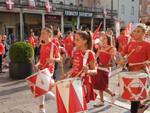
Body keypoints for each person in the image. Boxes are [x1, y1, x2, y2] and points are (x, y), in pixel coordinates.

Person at [119, 23, 150, 113]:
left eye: (138, 31)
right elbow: (123, 54)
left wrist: (146, 62)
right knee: (133, 96)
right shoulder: (131, 43)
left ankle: (136, 110)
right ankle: (140, 107)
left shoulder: (147, 45)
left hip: (141, 73)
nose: (135, 33)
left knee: (134, 97)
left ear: (144, 33)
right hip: (130, 72)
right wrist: (122, 60)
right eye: (135, 31)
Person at [62, 30, 97, 106]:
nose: (75, 41)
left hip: (83, 83)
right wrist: (67, 74)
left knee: (80, 106)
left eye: (77, 40)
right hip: (74, 80)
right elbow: (75, 68)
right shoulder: (76, 52)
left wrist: (88, 71)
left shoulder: (89, 53)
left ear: (85, 41)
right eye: (75, 39)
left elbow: (95, 71)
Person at [35, 27, 60, 113]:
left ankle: (59, 100)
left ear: (49, 34)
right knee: (41, 89)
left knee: (43, 89)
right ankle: (41, 109)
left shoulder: (53, 45)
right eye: (41, 33)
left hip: (49, 70)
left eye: (43, 33)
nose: (41, 35)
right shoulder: (43, 45)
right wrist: (37, 64)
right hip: (41, 69)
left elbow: (59, 59)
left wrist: (52, 59)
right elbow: (41, 59)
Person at [92, 34, 116, 106]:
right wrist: (91, 62)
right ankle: (102, 101)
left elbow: (114, 61)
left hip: (105, 69)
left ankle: (112, 94)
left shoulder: (112, 48)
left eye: (104, 38)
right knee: (99, 86)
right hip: (99, 67)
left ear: (108, 39)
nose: (103, 40)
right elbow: (96, 56)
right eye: (102, 38)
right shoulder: (101, 47)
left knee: (103, 86)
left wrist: (113, 57)